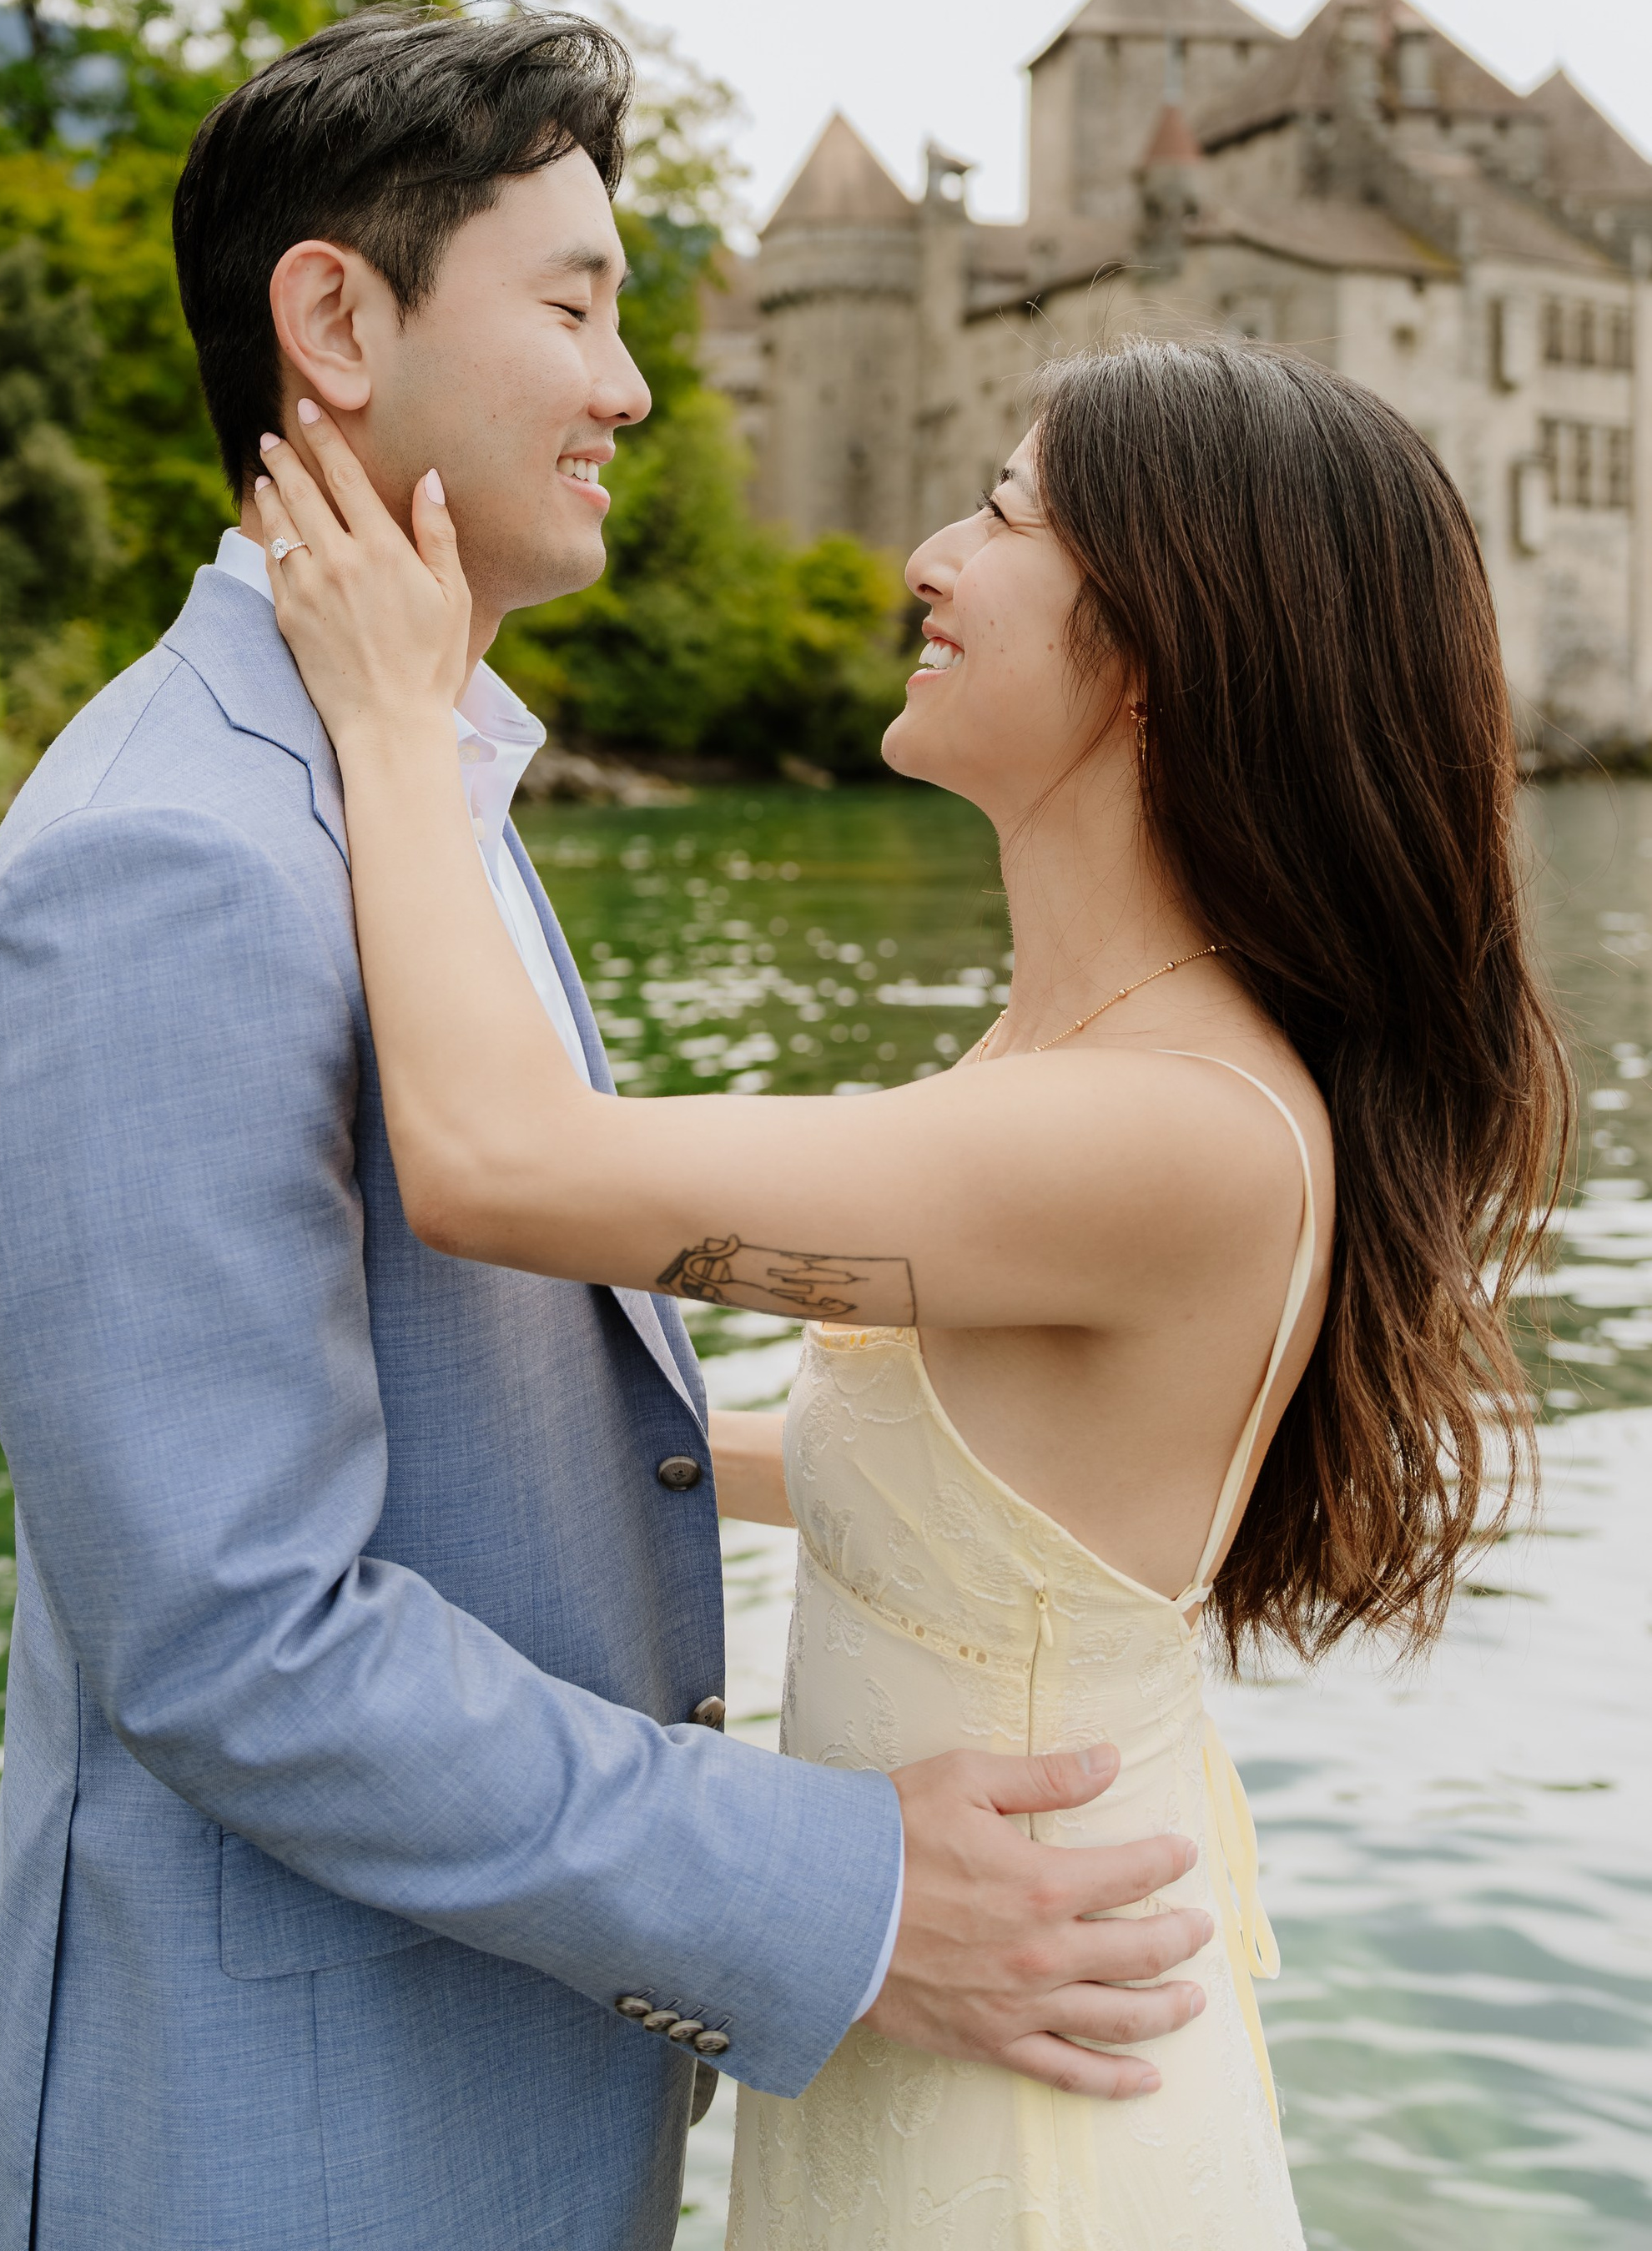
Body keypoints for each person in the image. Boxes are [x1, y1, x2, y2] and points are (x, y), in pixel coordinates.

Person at [0, 7, 1217, 2251]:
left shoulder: (403, 772)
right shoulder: (170, 861)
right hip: (292, 2158)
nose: (633, 385)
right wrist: (842, 1889)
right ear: (334, 321)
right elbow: (236, 1640)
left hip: (504, 2101)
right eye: (576, 304)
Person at [254, 325, 1569, 2251]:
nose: (925, 559)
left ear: (1160, 644)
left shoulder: (1170, 1124)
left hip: (1020, 2140)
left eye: (1003, 513)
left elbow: (494, 1165)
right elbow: (937, 1478)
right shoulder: (1074, 1060)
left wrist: (393, 719)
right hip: (953, 2012)